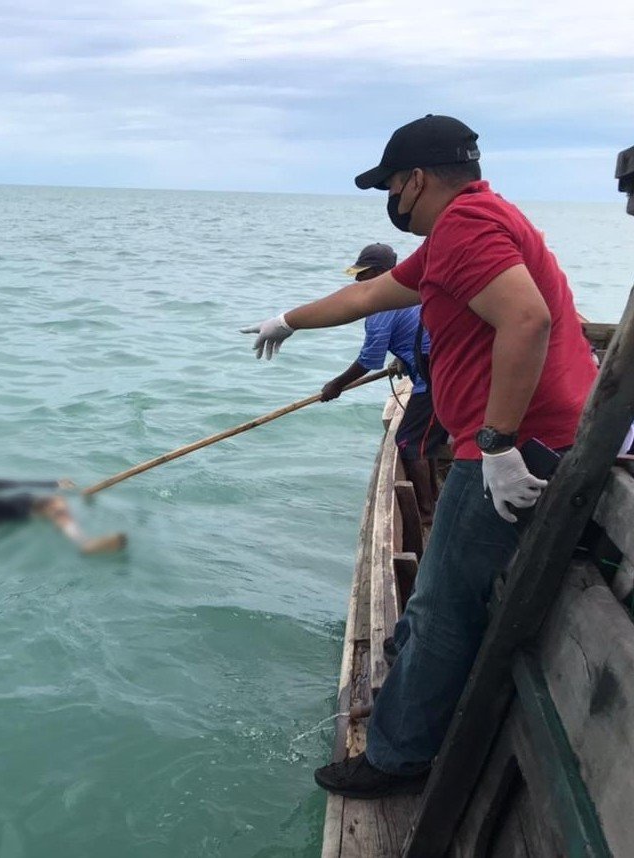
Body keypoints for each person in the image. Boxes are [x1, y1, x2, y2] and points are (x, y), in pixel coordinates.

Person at [242, 115, 598, 798]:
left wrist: (495, 445)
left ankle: (398, 757)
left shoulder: (465, 227)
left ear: (416, 179)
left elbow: (527, 320)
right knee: (437, 591)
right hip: (536, 433)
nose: (391, 200)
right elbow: (368, 294)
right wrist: (288, 318)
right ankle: (408, 686)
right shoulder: (467, 228)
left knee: (442, 605)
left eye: (390, 186)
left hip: (515, 444)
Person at [322, 242, 447, 524]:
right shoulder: (411, 291)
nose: (357, 281)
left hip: (433, 379)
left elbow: (369, 360)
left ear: (380, 272)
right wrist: (402, 358)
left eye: (362, 274)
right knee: (426, 441)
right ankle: (436, 499)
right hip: (440, 370)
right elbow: (417, 332)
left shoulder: (381, 306)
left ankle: (427, 514)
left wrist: (337, 385)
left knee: (409, 442)